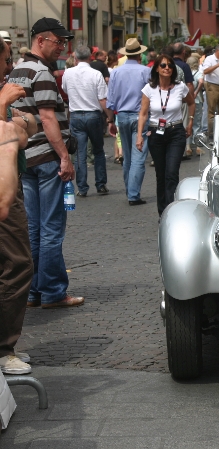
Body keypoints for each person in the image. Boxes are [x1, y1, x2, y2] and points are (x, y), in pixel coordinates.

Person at [8, 17, 85, 309]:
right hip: (47, 158)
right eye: (58, 42)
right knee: (51, 228)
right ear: (41, 40)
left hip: (25, 157)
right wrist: (64, 157)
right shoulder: (41, 72)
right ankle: (52, 291)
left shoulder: (16, 70)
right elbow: (48, 118)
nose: (63, 48)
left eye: (65, 42)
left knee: (33, 228)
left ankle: (31, 291)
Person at [0, 37, 35, 374]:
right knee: (18, 263)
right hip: (3, 191)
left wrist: (19, 123)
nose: (10, 66)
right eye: (6, 59)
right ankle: (3, 348)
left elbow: (27, 129)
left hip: (11, 187)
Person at [137, 56, 195, 217]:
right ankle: (163, 213)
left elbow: (191, 103)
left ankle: (172, 212)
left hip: (176, 132)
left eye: (170, 65)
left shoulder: (180, 87)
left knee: (171, 173)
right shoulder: (149, 89)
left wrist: (190, 122)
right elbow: (142, 114)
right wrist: (139, 136)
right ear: (157, 68)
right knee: (161, 175)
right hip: (155, 133)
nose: (167, 68)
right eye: (163, 65)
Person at [61, 45, 115, 197]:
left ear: (75, 58)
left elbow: (65, 89)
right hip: (94, 115)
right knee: (98, 150)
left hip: (76, 115)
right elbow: (103, 98)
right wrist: (110, 117)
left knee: (80, 153)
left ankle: (82, 187)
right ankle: (101, 184)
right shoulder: (96, 74)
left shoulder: (68, 73)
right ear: (91, 57)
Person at [107, 37, 152, 206]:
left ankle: (129, 189)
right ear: (139, 54)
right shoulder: (145, 71)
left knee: (127, 156)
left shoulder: (116, 72)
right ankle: (133, 194)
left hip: (122, 116)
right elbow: (152, 95)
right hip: (140, 115)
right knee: (139, 156)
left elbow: (110, 99)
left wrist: (110, 120)